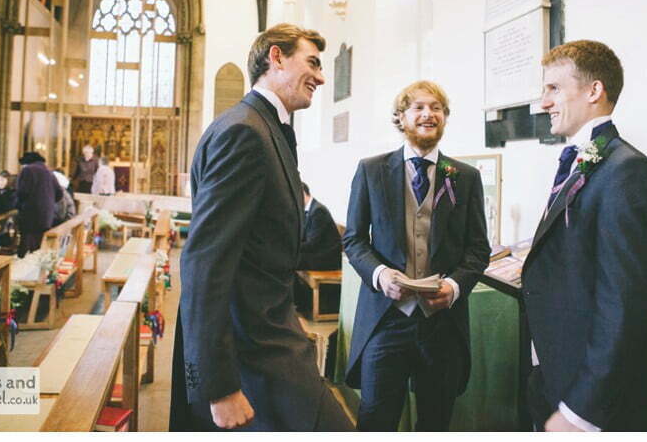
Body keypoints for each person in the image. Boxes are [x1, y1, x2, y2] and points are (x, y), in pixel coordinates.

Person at [170, 23, 351, 432]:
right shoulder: (244, 132)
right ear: (276, 57)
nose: (321, 77)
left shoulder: (263, 126)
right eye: (313, 62)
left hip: (269, 337)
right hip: (251, 351)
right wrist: (218, 387)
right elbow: (204, 263)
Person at [522, 40, 647, 432]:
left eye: (553, 88)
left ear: (594, 91)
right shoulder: (579, 160)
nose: (543, 101)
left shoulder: (627, 172)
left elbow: (625, 303)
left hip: (593, 401)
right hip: (555, 373)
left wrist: (581, 411)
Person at [342, 81, 490, 431]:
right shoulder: (371, 170)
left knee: (435, 421)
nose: (428, 114)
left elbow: (478, 249)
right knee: (376, 418)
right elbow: (354, 239)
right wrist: (381, 275)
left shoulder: (465, 177)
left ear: (444, 117)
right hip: (386, 318)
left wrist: (454, 287)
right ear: (401, 117)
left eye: (436, 107)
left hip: (442, 325)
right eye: (419, 107)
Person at [15, 151, 62, 257]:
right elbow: (59, 193)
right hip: (47, 216)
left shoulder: (27, 170)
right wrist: (47, 203)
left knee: (27, 248)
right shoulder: (49, 172)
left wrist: (17, 205)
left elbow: (22, 192)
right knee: (39, 246)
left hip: (30, 215)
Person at [296, 182, 342, 271]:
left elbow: (312, 244)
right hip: (316, 254)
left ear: (302, 193)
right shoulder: (309, 209)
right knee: (288, 259)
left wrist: (292, 247)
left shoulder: (318, 211)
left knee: (290, 260)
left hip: (326, 259)